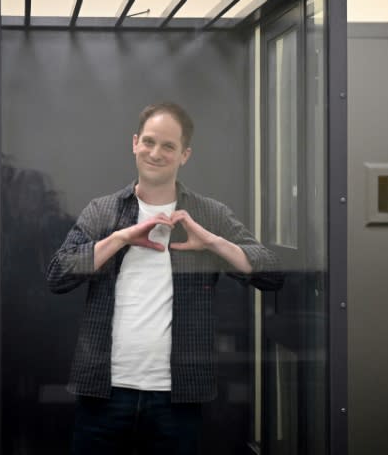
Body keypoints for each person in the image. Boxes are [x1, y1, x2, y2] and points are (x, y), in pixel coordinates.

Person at [46, 102, 281, 455]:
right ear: (135, 142)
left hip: (178, 396)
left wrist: (212, 243)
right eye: (150, 142)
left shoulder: (207, 213)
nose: (156, 153)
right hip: (104, 390)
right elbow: (58, 275)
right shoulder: (104, 210)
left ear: (184, 154)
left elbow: (271, 273)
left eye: (169, 146)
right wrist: (120, 238)